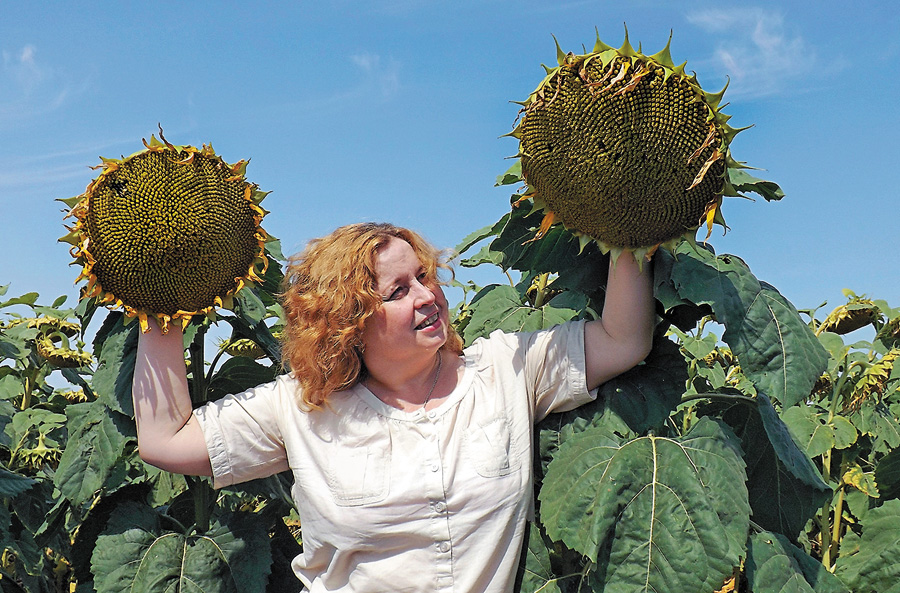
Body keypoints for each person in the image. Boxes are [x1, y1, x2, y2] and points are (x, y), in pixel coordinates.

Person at [133, 221, 655, 593]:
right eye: (398, 291)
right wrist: (162, 301)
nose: (427, 296)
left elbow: (623, 341)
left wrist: (624, 222)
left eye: (425, 277)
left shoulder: (504, 370)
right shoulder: (301, 408)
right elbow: (165, 441)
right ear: (348, 322)